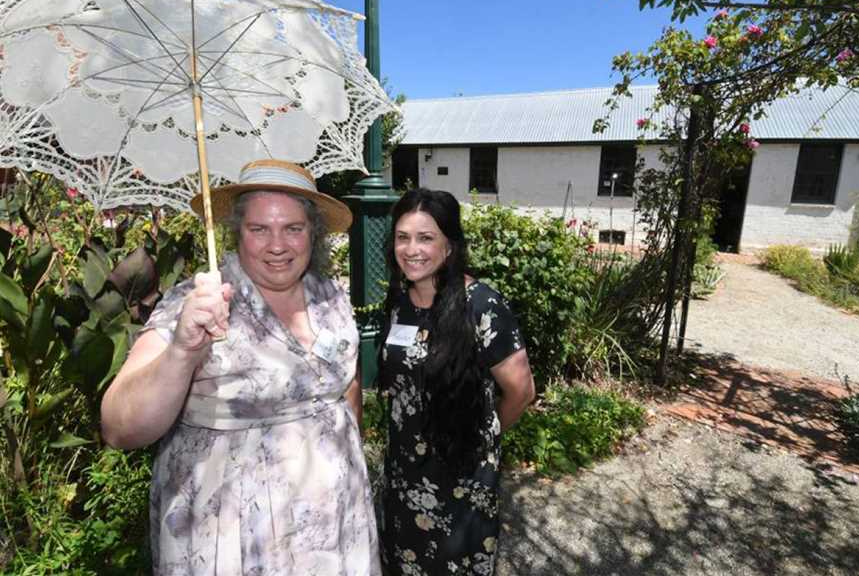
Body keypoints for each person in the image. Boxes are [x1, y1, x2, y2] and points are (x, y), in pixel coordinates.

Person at [101, 159, 381, 576]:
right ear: (236, 231)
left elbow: (346, 386)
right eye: (259, 229)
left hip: (338, 528)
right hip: (234, 537)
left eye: (293, 228)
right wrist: (182, 349)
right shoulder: (196, 306)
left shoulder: (330, 296)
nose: (277, 244)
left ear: (313, 233)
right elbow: (119, 428)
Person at [377, 188, 536, 575]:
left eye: (425, 237)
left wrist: (482, 432)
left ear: (449, 245)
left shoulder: (481, 305)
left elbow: (522, 391)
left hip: (462, 483)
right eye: (403, 237)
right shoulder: (400, 304)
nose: (411, 249)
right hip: (403, 476)